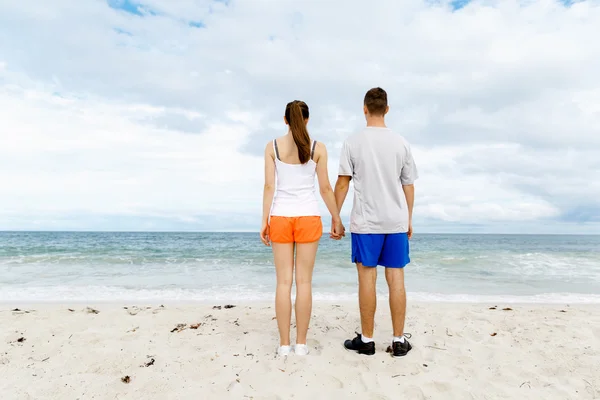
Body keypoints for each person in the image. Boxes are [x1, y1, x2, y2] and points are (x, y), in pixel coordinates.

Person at [333, 87, 418, 357]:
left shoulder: (353, 142)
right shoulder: (401, 142)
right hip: (395, 220)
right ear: (387, 109)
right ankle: (398, 340)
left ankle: (367, 340)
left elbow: (343, 183)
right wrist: (409, 219)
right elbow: (408, 185)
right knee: (396, 279)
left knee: (366, 280)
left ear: (365, 108)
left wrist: (335, 217)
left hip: (366, 223)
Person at [261, 100, 345, 357]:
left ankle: (284, 345)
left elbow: (268, 187)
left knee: (283, 283)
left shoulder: (273, 146)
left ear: (285, 120)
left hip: (281, 217)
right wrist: (337, 218)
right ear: (307, 120)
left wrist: (264, 220)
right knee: (304, 282)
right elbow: (325, 188)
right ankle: (301, 344)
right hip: (308, 216)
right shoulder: (318, 148)